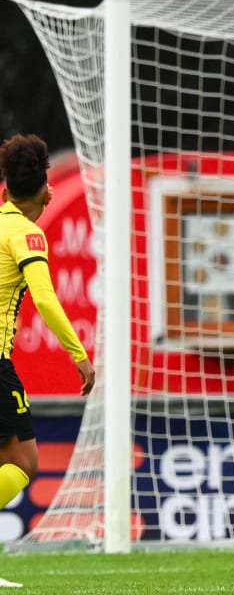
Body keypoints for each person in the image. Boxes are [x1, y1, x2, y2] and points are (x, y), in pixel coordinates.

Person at [0, 135, 96, 588]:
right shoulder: (25, 232)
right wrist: (80, 355)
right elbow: (46, 297)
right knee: (24, 462)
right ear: (44, 187)